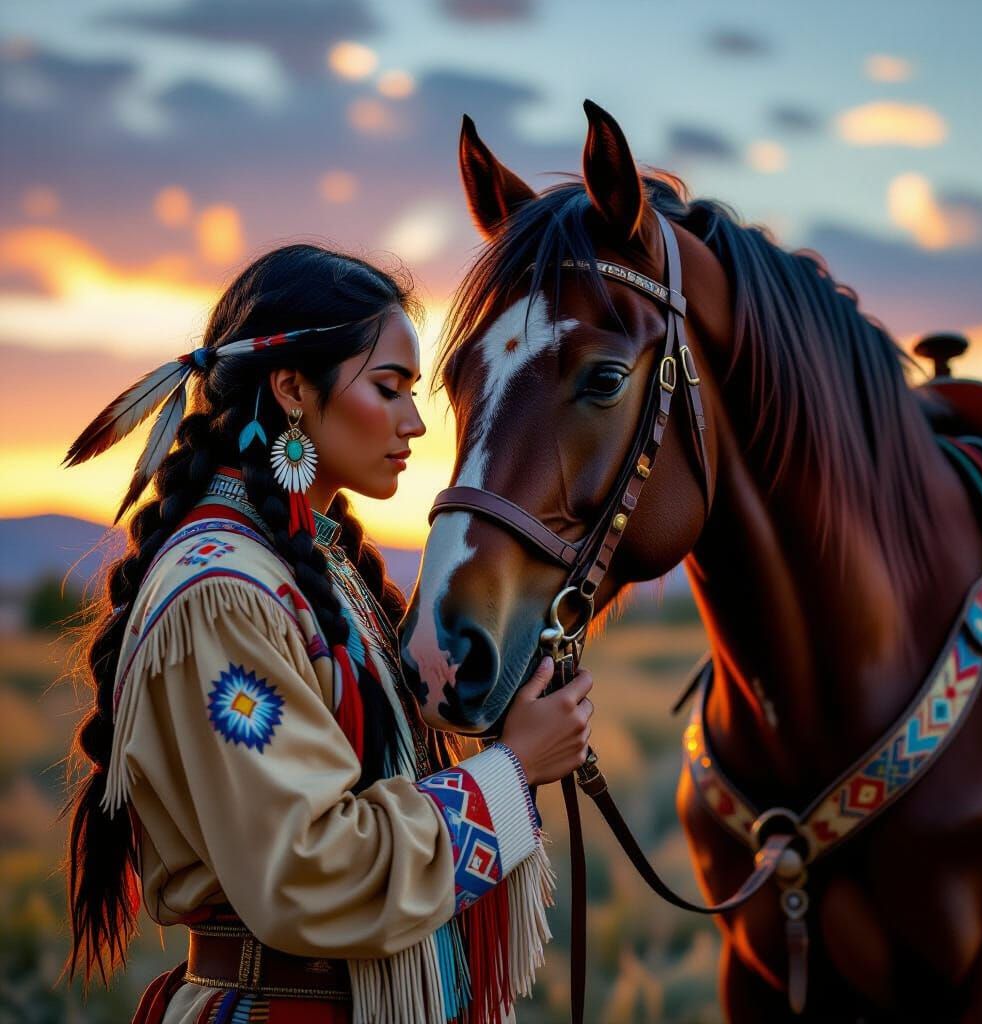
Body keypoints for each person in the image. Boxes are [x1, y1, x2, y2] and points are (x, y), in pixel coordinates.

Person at [62, 244, 595, 1024]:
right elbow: (310, 869)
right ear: (292, 390)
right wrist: (513, 774)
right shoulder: (221, 597)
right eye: (389, 388)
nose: (415, 423)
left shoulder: (314, 564)